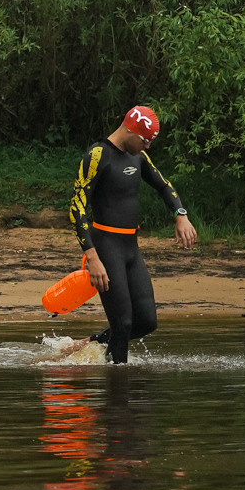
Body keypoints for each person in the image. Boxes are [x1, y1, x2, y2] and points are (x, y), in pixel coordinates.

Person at [69, 104, 196, 364]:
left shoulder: (138, 157)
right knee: (124, 322)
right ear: (130, 129)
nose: (148, 146)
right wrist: (92, 257)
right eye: (145, 140)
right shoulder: (98, 154)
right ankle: (118, 386)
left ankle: (92, 344)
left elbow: (164, 185)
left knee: (146, 322)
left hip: (130, 248)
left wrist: (180, 214)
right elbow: (76, 206)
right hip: (105, 247)